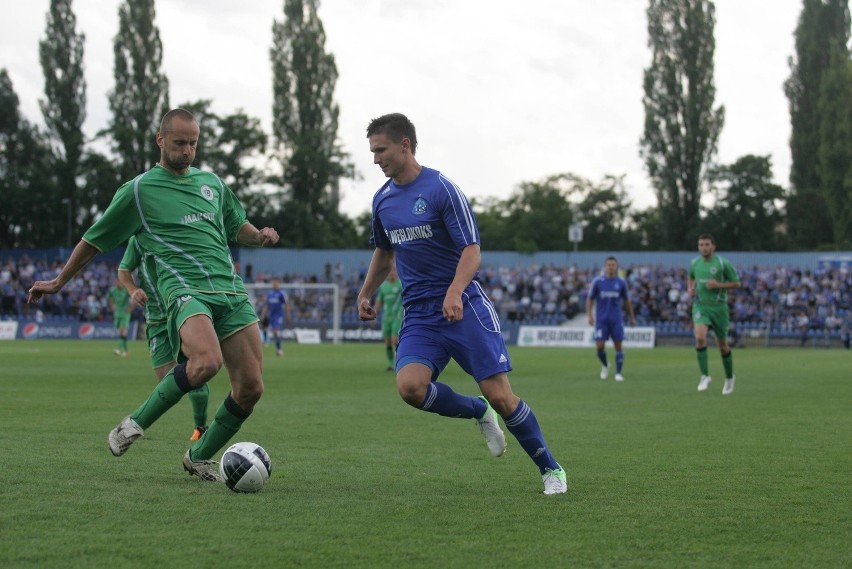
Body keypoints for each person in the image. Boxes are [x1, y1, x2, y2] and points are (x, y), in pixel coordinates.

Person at [28, 108, 279, 481]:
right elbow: (93, 240)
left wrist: (258, 235)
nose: (187, 151)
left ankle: (198, 456)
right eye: (179, 143)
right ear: (160, 140)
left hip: (230, 290)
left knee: (251, 388)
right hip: (184, 289)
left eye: (193, 144)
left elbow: (234, 225)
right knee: (205, 363)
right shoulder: (139, 190)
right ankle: (132, 425)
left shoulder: (212, 183)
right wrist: (58, 281)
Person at [356, 113, 567, 495]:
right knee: (410, 387)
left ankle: (551, 469)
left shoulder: (441, 189)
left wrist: (454, 291)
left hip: (464, 306)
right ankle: (476, 411)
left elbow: (472, 250)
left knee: (501, 395)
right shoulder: (382, 201)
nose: (375, 159)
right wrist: (365, 292)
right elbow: (384, 252)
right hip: (420, 314)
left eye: (381, 150)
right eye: (372, 152)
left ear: (405, 145)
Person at [118, 235, 211, 441]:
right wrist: (133, 290)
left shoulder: (176, 232)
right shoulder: (137, 240)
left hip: (181, 312)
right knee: (167, 381)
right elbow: (123, 271)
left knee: (196, 367)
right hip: (156, 321)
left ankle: (201, 428)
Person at [687, 234, 742, 395]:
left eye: (706, 244)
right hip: (701, 306)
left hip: (719, 308)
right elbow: (690, 277)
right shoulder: (694, 263)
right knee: (699, 337)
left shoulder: (722, 263)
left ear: (713, 247)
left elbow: (737, 283)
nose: (703, 247)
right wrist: (690, 288)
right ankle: (705, 376)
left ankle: (729, 378)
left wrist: (719, 285)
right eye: (701, 245)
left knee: (722, 346)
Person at [586, 256, 636, 381]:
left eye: (613, 265)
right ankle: (605, 365)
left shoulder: (621, 282)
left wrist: (632, 317)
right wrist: (590, 315)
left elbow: (627, 301)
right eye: (609, 265)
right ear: (605, 266)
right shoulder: (598, 282)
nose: (611, 267)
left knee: (618, 346)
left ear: (616, 266)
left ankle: (618, 373)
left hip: (616, 319)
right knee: (599, 346)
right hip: (601, 320)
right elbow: (590, 299)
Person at [372, 264, 403, 371]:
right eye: (390, 271)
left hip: (398, 316)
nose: (392, 273)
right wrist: (374, 314)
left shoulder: (401, 285)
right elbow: (379, 302)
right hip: (387, 317)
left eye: (393, 271)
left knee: (395, 340)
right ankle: (391, 364)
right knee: (388, 342)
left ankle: (400, 362)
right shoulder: (383, 287)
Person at [259, 278, 292, 357]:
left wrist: (288, 316)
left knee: (275, 330)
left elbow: (286, 305)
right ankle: (278, 348)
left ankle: (279, 350)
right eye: (273, 283)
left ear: (279, 284)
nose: (274, 285)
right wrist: (263, 316)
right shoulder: (270, 294)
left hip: (279, 315)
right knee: (274, 332)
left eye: (276, 283)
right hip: (271, 316)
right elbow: (266, 306)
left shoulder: (282, 293)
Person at [106, 278, 132, 356]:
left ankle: (118, 349)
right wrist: (112, 305)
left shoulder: (126, 290)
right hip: (117, 313)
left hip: (125, 314)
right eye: (116, 282)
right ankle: (126, 351)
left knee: (122, 331)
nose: (118, 283)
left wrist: (130, 308)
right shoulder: (113, 290)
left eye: (119, 282)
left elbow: (134, 298)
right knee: (122, 333)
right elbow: (109, 297)